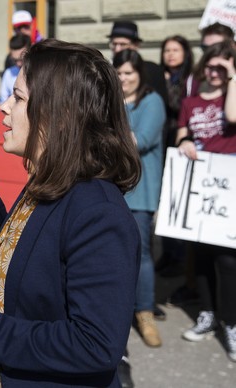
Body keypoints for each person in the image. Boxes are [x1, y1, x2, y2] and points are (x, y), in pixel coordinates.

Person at [0, 39, 142, 387]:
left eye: (17, 98)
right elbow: (30, 273)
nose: (4, 107)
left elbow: (94, 345)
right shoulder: (47, 183)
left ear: (57, 115)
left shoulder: (99, 214)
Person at [175, 41, 236, 363]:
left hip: (228, 188)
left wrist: (232, 76)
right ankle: (208, 313)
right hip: (199, 185)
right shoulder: (190, 101)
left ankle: (231, 323)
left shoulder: (231, 95)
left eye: (221, 67)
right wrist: (184, 141)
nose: (214, 72)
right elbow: (181, 134)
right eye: (210, 66)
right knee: (199, 256)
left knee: (228, 261)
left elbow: (232, 116)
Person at [114, 49, 166, 348]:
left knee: (142, 254)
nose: (123, 79)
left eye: (129, 73)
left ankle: (144, 312)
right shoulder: (114, 103)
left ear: (139, 74)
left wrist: (101, 130)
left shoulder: (152, 101)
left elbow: (141, 140)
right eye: (118, 73)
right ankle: (119, 309)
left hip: (141, 192)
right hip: (114, 188)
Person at [155, 35, 193, 280]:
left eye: (175, 50)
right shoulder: (159, 76)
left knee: (179, 199)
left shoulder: (191, 79)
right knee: (165, 200)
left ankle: (180, 258)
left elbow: (180, 106)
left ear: (185, 53)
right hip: (163, 140)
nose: (170, 54)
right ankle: (169, 254)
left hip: (179, 142)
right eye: (166, 50)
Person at [107, 21, 168, 105]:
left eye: (123, 44)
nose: (117, 49)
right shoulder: (106, 70)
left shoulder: (153, 70)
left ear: (136, 45)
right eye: (114, 44)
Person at [0, 34, 30, 103]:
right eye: (15, 60)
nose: (18, 64)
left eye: (21, 59)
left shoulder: (40, 72)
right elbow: (3, 101)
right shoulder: (8, 74)